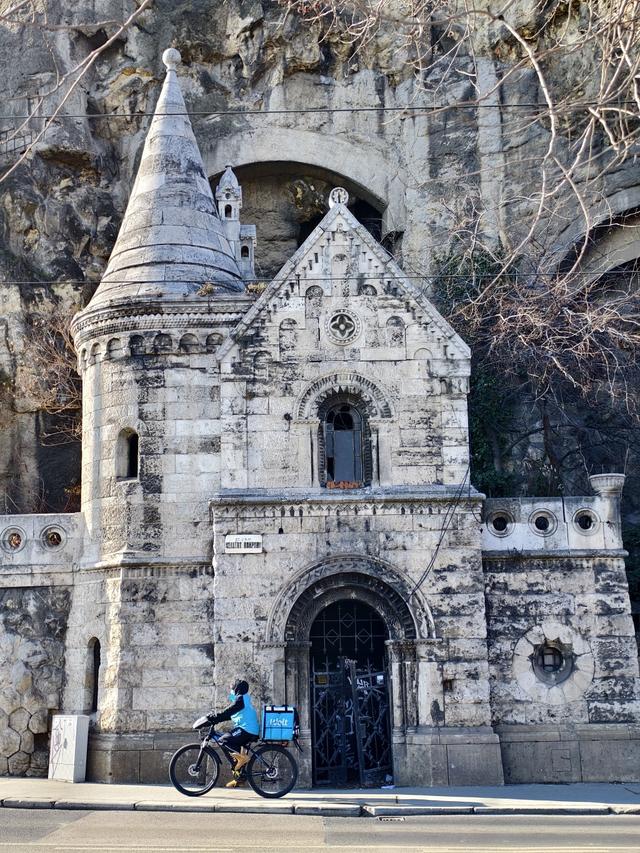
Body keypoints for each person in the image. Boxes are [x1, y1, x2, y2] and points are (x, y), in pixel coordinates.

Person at [207, 679, 260, 788]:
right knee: (231, 745)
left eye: (232, 688)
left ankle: (242, 760)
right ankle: (239, 777)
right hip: (247, 729)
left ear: (237, 689)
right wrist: (217, 719)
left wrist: (215, 717)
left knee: (223, 740)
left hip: (247, 730)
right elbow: (229, 715)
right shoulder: (242, 699)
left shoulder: (240, 700)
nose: (231, 691)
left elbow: (229, 711)